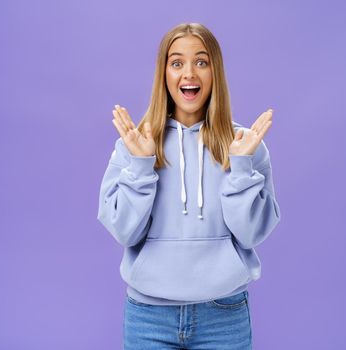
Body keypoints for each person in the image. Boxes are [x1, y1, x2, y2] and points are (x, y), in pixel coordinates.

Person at [97, 22, 281, 350]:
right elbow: (125, 231)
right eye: (177, 62)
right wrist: (140, 164)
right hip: (149, 314)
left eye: (201, 61)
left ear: (215, 71)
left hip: (224, 314)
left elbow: (252, 233)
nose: (189, 74)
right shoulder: (134, 144)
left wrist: (240, 166)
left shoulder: (245, 145)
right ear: (164, 73)